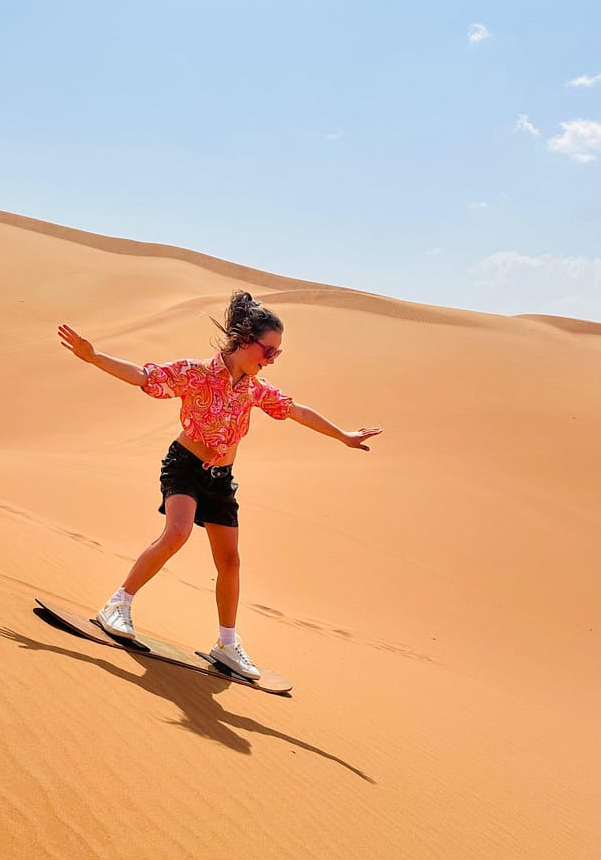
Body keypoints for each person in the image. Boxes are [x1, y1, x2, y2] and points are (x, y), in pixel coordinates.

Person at [58, 290, 381, 680]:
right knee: (177, 532)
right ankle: (117, 605)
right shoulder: (196, 372)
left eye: (277, 353)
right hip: (184, 466)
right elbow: (146, 377)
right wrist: (94, 357)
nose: (272, 359)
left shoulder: (254, 389)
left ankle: (227, 645)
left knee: (230, 562)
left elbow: (296, 411)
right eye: (269, 350)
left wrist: (343, 435)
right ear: (245, 340)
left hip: (221, 480)